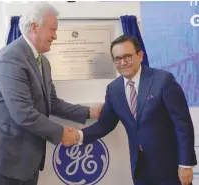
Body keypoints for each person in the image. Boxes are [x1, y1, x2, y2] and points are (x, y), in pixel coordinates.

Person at [0, 2, 102, 185]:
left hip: (26, 161)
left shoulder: (43, 62)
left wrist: (90, 112)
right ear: (34, 27)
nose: (55, 36)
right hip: (2, 160)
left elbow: (52, 102)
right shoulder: (11, 58)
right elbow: (23, 112)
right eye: (52, 29)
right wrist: (61, 132)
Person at [63, 35, 197, 185]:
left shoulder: (163, 80)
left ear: (140, 55)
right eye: (117, 58)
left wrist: (186, 164)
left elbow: (182, 124)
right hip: (140, 169)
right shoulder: (113, 89)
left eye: (127, 57)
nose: (123, 63)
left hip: (171, 168)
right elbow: (105, 124)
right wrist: (78, 135)